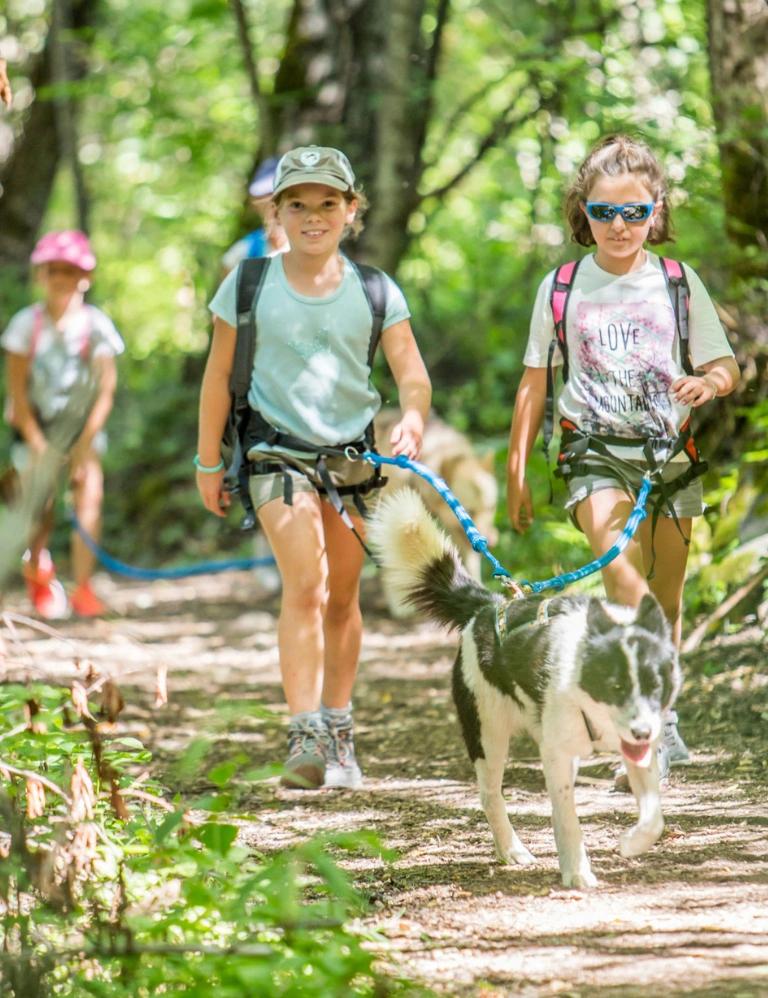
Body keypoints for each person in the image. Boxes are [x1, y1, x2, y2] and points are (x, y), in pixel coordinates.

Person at [196, 145, 431, 791]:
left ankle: (338, 727)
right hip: (274, 452)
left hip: (354, 458)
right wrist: (208, 459)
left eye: (328, 203)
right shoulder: (247, 284)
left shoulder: (376, 289)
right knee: (306, 582)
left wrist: (411, 419)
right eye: (297, 203)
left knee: (344, 596)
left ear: (350, 211)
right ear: (278, 211)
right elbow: (217, 375)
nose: (312, 215)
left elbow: (412, 375)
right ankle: (304, 733)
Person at [505, 134, 739, 775]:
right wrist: (516, 473)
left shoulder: (676, 282)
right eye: (604, 211)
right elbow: (534, 383)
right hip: (593, 454)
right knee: (624, 583)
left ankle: (660, 709)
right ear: (583, 211)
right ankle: (639, 731)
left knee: (665, 600)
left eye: (633, 212)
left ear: (655, 212)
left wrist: (707, 382)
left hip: (669, 456)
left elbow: (725, 366)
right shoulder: (561, 287)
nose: (618, 224)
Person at [2, 230, 125, 618]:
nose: (61, 278)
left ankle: (84, 588)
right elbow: (18, 396)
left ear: (84, 276)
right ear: (42, 274)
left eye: (69, 271)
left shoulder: (97, 326)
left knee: (89, 497)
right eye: (53, 270)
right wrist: (43, 448)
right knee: (40, 505)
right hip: (35, 427)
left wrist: (83, 444)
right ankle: (38, 572)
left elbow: (105, 390)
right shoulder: (26, 325)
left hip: (83, 429)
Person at [220, 156, 289, 276]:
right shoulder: (248, 249)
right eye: (264, 196)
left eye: (276, 195)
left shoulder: (309, 243)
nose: (272, 203)